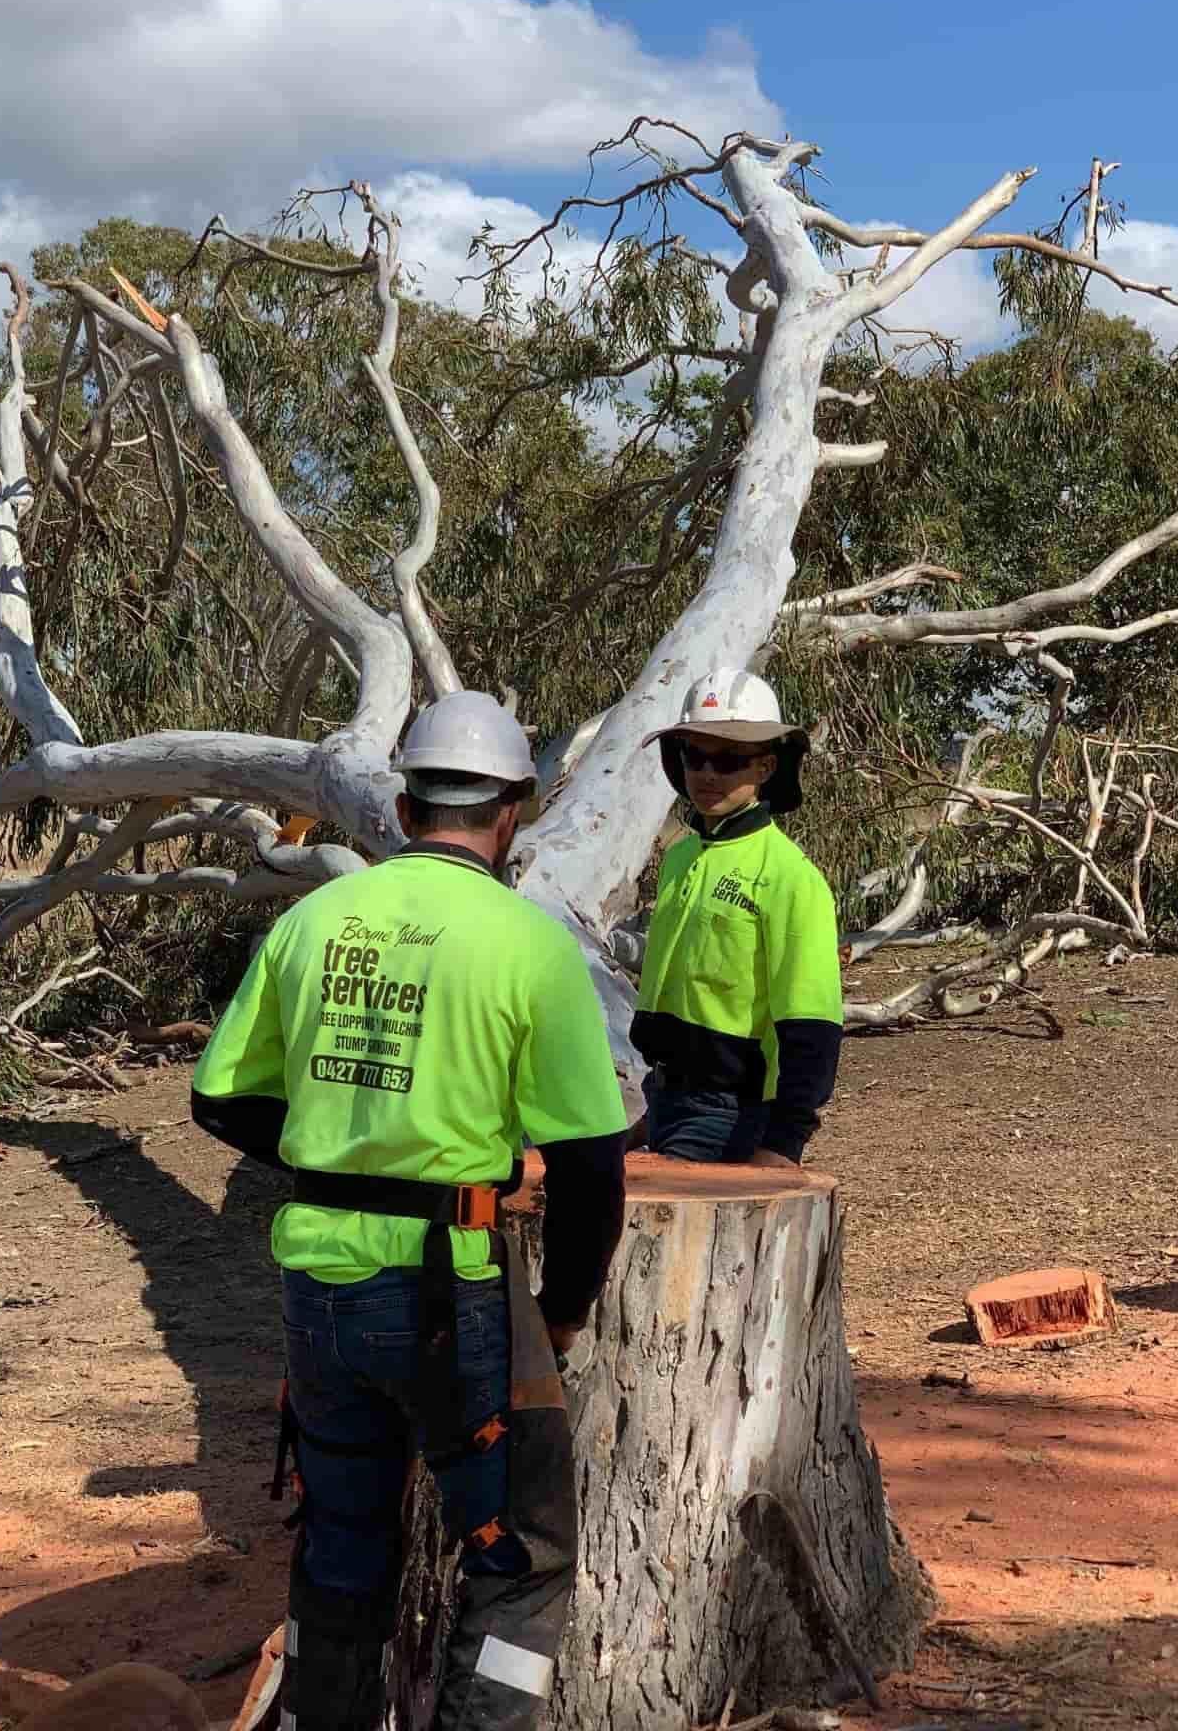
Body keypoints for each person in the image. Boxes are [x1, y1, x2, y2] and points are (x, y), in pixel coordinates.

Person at [191, 690, 627, 1731]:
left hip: (318, 1294)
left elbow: (218, 1099)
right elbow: (593, 1163)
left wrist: (341, 1158)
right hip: (453, 1293)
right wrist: (561, 1310)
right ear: (513, 808)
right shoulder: (527, 945)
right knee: (522, 1561)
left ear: (406, 802)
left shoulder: (313, 921)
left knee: (345, 1539)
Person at [630, 668, 843, 1166]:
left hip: (732, 1113)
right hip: (663, 1097)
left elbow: (812, 1026)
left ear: (766, 766)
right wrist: (653, 1113)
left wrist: (783, 1145)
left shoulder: (791, 877)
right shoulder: (681, 857)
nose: (707, 773)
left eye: (728, 760)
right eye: (694, 755)